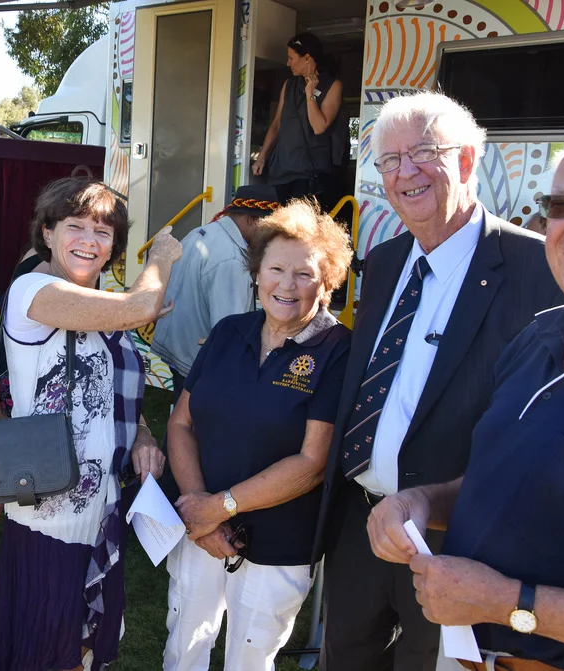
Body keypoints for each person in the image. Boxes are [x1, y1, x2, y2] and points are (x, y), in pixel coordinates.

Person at [312, 92, 564, 671]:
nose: (406, 173)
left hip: (457, 541)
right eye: (390, 161)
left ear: (468, 161)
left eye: (424, 153)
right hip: (362, 523)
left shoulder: (536, 270)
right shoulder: (382, 261)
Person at [366, 121, 564, 670]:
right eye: (561, 205)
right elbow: (503, 483)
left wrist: (508, 604)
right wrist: (422, 502)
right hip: (469, 655)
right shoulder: (540, 336)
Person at [0, 177, 174, 671]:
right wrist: (164, 258)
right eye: (76, 227)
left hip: (99, 500)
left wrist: (145, 435)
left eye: (104, 232)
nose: (90, 240)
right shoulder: (33, 288)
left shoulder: (95, 300)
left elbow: (115, 389)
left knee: (83, 647)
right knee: (52, 644)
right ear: (47, 233)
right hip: (51, 509)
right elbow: (142, 307)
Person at [164, 199, 352, 670]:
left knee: (250, 659)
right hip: (200, 529)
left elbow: (310, 464)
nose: (286, 285)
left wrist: (219, 506)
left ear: (328, 283)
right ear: (256, 273)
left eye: (304, 274)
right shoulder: (230, 331)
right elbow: (181, 422)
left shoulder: (337, 350)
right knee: (182, 650)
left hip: (279, 544)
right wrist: (197, 506)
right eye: (275, 268)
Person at [152, 184, 279, 398]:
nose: (270, 239)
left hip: (179, 348)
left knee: (180, 416)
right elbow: (231, 330)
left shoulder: (203, 232)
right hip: (200, 361)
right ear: (254, 220)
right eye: (270, 230)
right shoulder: (231, 260)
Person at [252, 32, 348, 210]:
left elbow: (319, 127)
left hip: (308, 174)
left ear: (307, 58)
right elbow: (276, 124)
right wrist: (262, 156)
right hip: (281, 170)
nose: (288, 63)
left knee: (299, 231)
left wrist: (310, 93)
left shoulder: (332, 85)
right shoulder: (289, 85)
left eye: (291, 58)